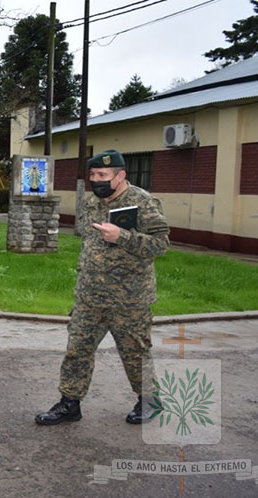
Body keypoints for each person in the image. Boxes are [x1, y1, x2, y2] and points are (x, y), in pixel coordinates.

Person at [35, 149, 170, 426]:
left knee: (135, 351)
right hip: (90, 296)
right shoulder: (91, 202)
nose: (97, 180)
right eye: (93, 175)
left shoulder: (143, 202)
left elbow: (160, 245)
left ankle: (150, 401)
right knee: (77, 350)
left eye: (103, 175)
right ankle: (69, 403)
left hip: (129, 298)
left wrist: (122, 236)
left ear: (120, 176)